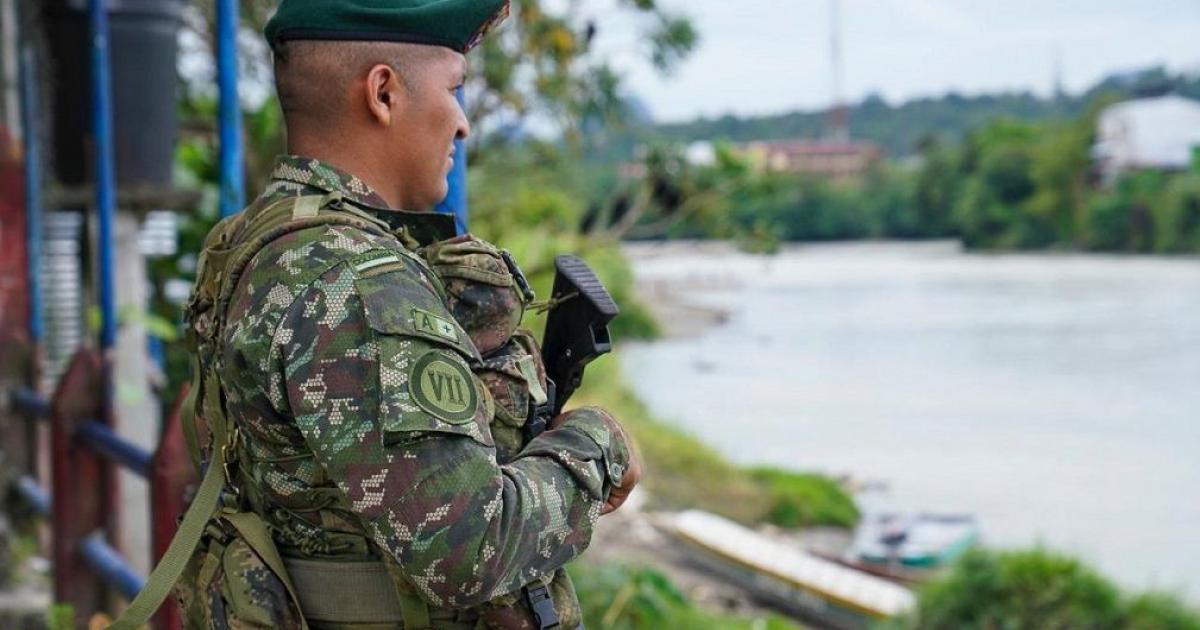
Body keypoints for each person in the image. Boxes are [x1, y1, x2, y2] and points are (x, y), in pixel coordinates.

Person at [163, 1, 640, 628]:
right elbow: (468, 550)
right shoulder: (356, 281)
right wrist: (599, 443)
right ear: (383, 93)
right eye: (453, 90)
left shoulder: (253, 236)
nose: (462, 125)